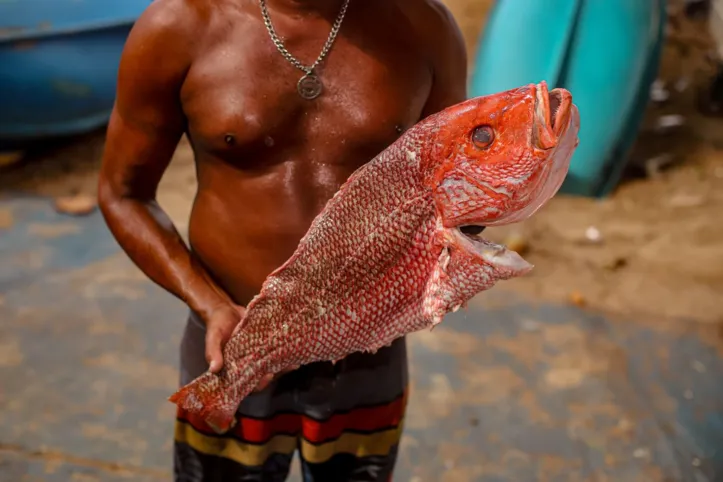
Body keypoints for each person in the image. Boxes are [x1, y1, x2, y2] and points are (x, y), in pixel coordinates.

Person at [97, 0, 466, 480]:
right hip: (231, 345)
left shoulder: (421, 25)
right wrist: (209, 305)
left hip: (366, 351)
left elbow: (457, 187)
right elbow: (122, 193)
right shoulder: (180, 24)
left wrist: (490, 207)